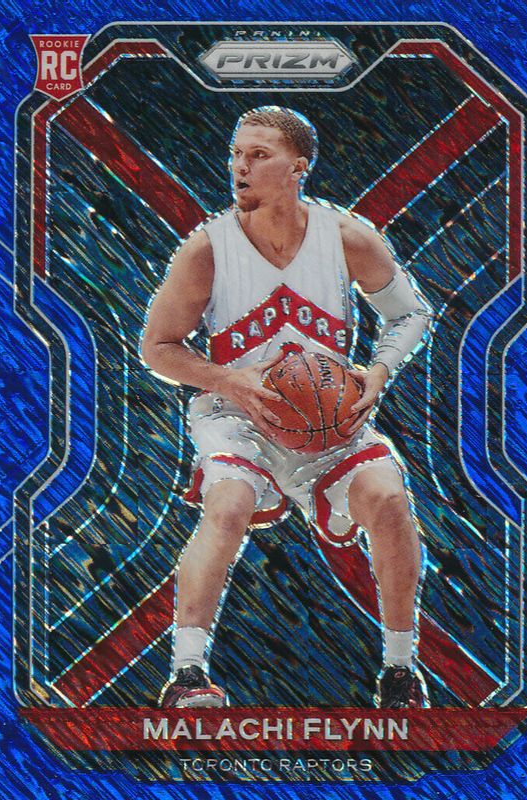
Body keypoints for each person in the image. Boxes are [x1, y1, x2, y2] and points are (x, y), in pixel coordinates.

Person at [141, 107, 432, 709]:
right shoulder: (207, 249)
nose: (240, 167)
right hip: (237, 417)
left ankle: (401, 672)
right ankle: (187, 676)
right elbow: (158, 348)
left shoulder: (345, 237)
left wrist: (378, 372)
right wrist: (228, 379)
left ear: (298, 167)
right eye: (236, 154)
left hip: (330, 423)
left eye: (258, 155)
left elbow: (410, 313)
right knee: (228, 504)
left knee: (388, 499)